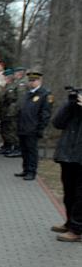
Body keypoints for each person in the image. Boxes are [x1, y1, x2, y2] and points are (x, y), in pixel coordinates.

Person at [51, 89, 82, 242]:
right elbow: (57, 123)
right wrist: (69, 104)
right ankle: (70, 222)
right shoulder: (73, 105)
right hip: (68, 155)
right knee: (69, 193)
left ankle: (78, 230)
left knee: (80, 195)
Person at [14, 71, 53, 181]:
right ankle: (26, 169)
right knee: (24, 150)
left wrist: (40, 128)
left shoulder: (45, 94)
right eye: (30, 80)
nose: (31, 82)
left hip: (33, 128)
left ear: (40, 81)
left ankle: (32, 171)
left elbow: (45, 114)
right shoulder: (28, 93)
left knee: (32, 151)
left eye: (34, 80)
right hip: (23, 126)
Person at [0, 69, 20, 156]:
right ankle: (7, 146)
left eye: (6, 76)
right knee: (5, 130)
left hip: (11, 111)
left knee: (12, 130)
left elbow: (15, 99)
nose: (5, 78)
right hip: (5, 111)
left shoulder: (15, 85)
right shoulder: (6, 86)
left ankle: (17, 148)